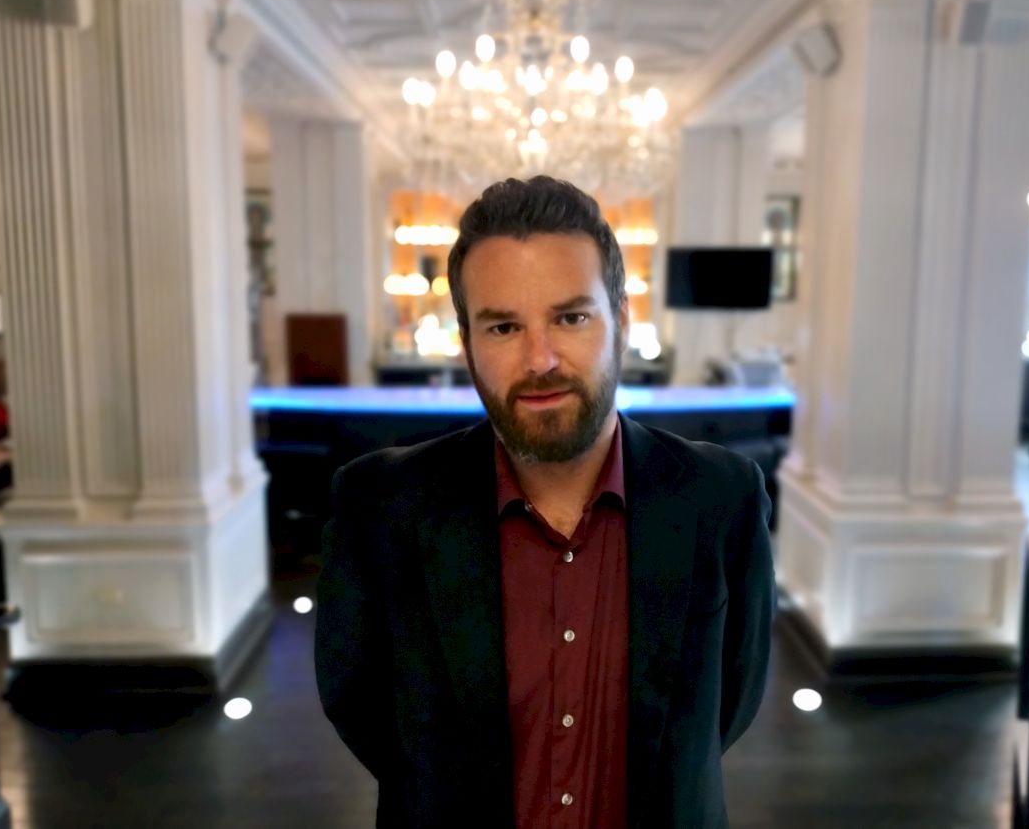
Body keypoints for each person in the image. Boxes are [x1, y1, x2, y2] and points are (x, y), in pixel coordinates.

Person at [315, 175, 775, 828]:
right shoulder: (381, 505)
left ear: (621, 320)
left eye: (570, 316)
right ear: (468, 343)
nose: (541, 358)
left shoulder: (721, 495)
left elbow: (729, 705)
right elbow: (358, 705)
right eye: (503, 326)